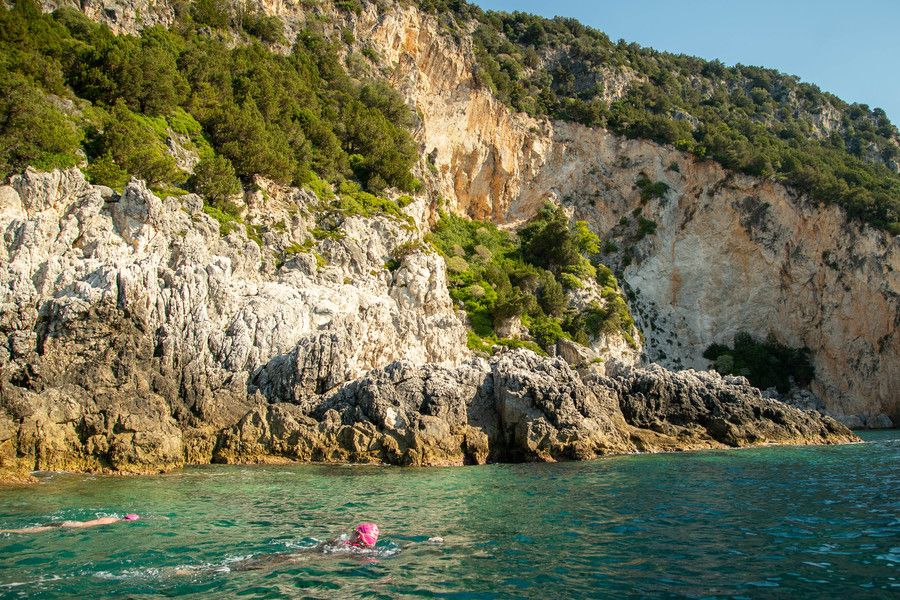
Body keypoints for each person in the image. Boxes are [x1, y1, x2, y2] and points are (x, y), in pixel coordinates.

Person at [0, 514, 139, 534]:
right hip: (75, 526)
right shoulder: (113, 523)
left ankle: (9, 530)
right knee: (39, 530)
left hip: (73, 523)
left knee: (44, 526)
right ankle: (9, 531)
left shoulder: (110, 518)